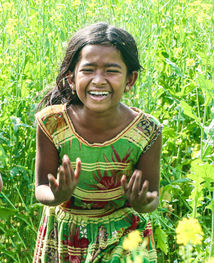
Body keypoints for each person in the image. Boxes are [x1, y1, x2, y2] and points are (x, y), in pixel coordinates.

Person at [33, 22, 162, 263]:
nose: (99, 80)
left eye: (111, 71)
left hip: (124, 235)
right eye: (88, 70)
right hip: (66, 234)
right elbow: (41, 187)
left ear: (130, 79)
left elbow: (151, 196)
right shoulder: (52, 123)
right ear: (71, 78)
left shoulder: (147, 131)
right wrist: (57, 195)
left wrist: (141, 203)